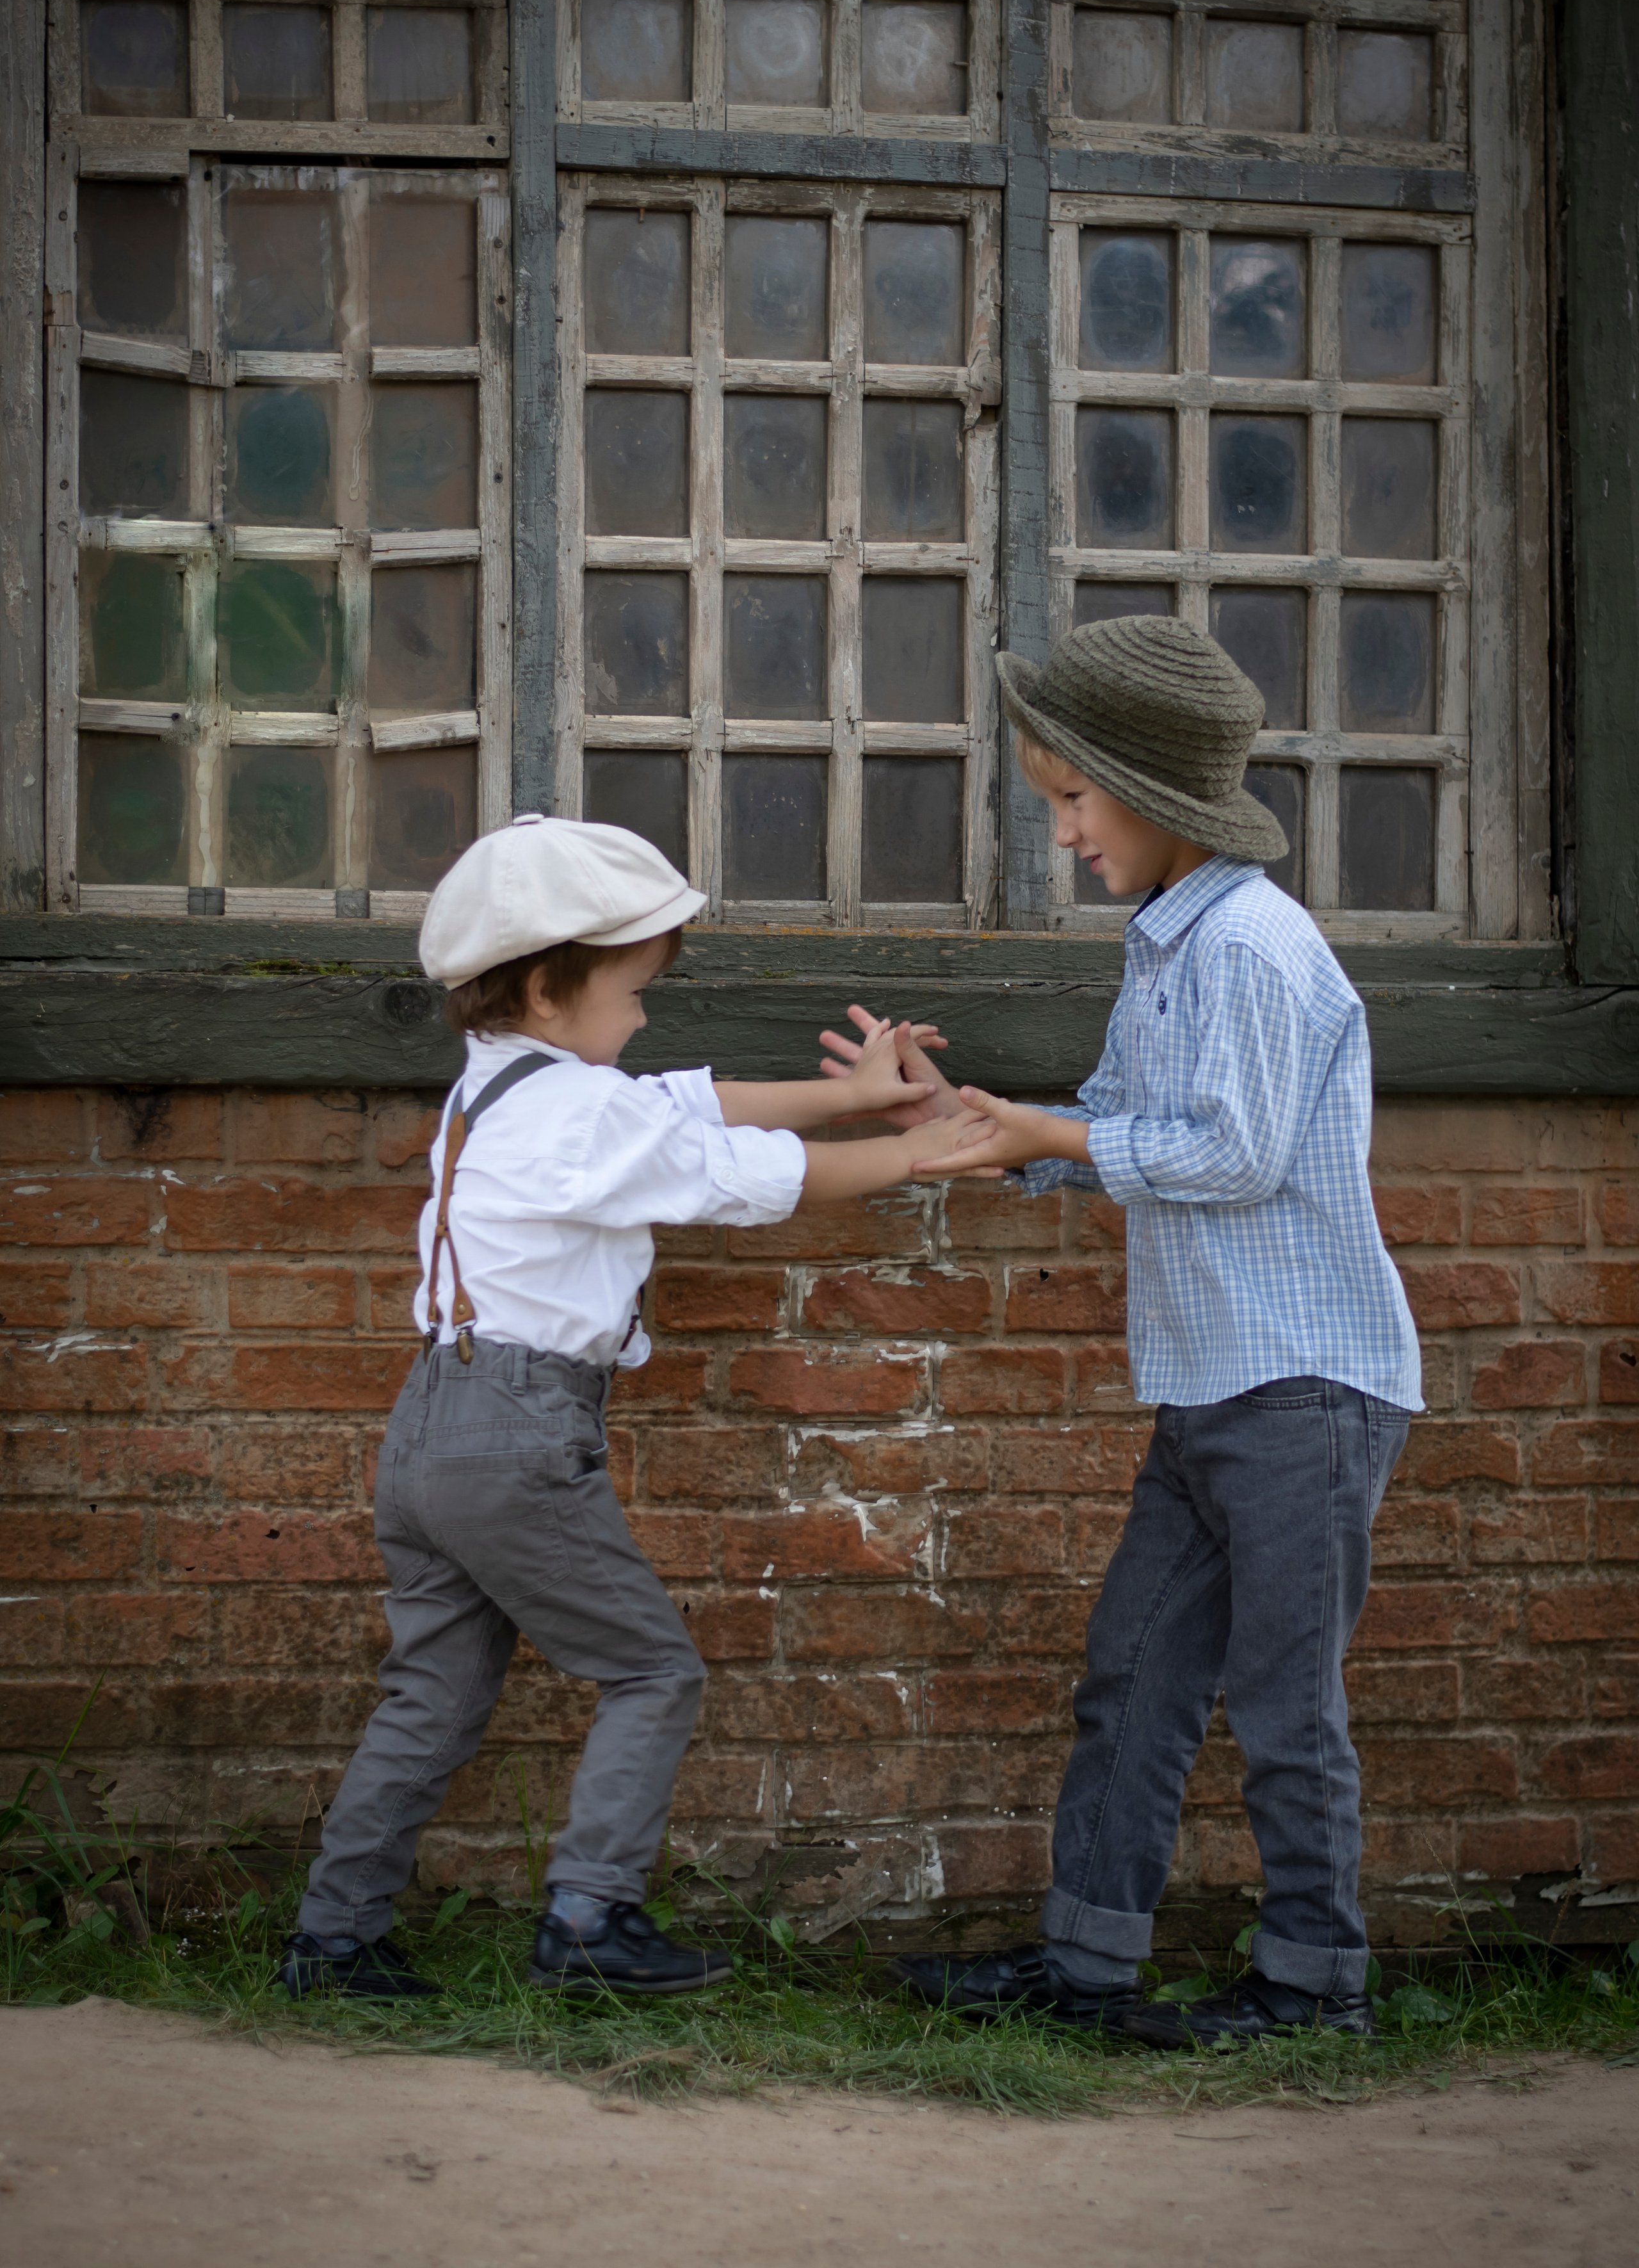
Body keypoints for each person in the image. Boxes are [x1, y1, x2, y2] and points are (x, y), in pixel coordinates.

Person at [825, 616, 1423, 2047]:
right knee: (1136, 1673)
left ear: (1148, 791)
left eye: (1073, 802)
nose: (1066, 833)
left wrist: (1043, 1130)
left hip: (1304, 1389)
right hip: (1212, 1386)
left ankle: (1311, 1986)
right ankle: (1084, 1966)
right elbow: (1101, 1132)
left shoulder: (1256, 952)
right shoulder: (1166, 948)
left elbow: (1232, 1155)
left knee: (1281, 1705)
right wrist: (946, 1121)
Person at [278, 814, 991, 2004]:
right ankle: (590, 1918)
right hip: (513, 1435)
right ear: (553, 988)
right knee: (654, 1672)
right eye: (634, 990)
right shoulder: (574, 1114)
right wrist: (927, 1152)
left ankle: (334, 1938)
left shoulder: (503, 1086)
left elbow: (676, 1111)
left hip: (428, 1431)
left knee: (435, 1692)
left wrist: (850, 1100)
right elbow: (733, 1174)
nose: (647, 1015)